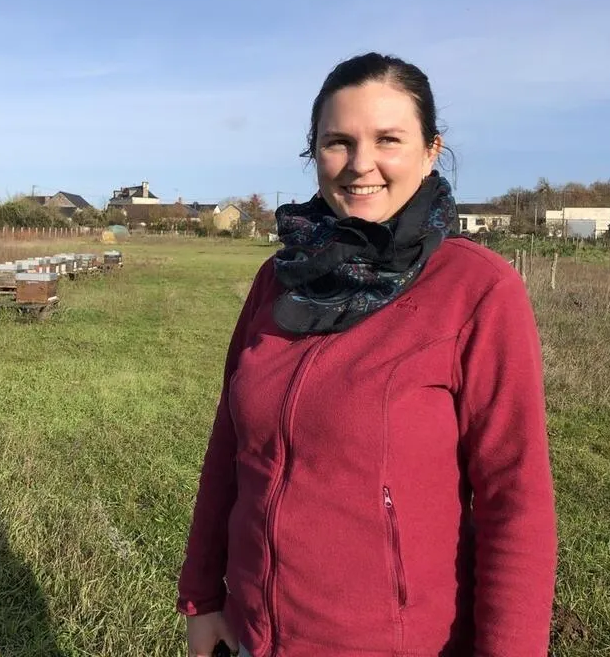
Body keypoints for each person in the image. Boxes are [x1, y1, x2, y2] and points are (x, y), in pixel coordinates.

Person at [177, 53, 557, 657]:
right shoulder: (278, 278)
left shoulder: (477, 289)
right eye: (338, 142)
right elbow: (230, 446)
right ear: (315, 153)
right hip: (253, 636)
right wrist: (203, 597)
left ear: (430, 151)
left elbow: (516, 500)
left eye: (388, 139)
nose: (361, 164)